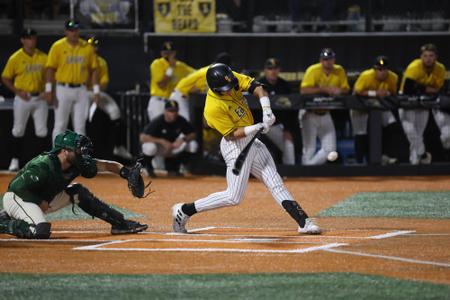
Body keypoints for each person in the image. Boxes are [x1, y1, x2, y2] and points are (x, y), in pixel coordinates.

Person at [171, 63, 320, 235]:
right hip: (235, 147)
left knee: (275, 182)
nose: (230, 89)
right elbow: (232, 134)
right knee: (234, 197)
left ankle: (303, 221)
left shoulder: (230, 77)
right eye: (225, 88)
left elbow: (257, 87)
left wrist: (266, 110)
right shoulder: (212, 108)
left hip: (253, 141)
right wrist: (255, 127)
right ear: (215, 88)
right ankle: (185, 210)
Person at [0, 130, 148, 239]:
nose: (82, 153)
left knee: (79, 192)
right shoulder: (43, 165)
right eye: (77, 149)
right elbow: (16, 187)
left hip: (43, 199)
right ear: (64, 151)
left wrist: (126, 173)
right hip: (19, 198)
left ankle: (119, 224)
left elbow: (107, 165)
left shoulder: (77, 162)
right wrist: (39, 202)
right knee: (40, 230)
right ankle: (4, 223)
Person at [43, 19, 100, 142]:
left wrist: (96, 91)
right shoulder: (57, 46)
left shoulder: (87, 47)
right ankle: (56, 156)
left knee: (80, 127)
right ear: (66, 32)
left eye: (75, 30)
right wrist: (48, 90)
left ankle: (80, 157)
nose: (73, 33)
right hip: (62, 89)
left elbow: (94, 69)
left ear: (79, 31)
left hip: (81, 89)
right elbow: (50, 69)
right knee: (60, 125)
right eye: (70, 30)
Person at [1, 28, 49, 172]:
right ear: (22, 40)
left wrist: (48, 90)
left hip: (39, 97)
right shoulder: (15, 57)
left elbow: (50, 74)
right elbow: (5, 77)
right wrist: (17, 91)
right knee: (18, 129)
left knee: (42, 131)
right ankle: (14, 161)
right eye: (28, 38)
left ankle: (41, 161)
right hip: (23, 97)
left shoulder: (43, 57)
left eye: (33, 38)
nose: (31, 40)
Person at [399, 43, 448, 165]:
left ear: (436, 57)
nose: (428, 58)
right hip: (408, 100)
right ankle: (423, 154)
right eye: (425, 55)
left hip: (425, 101)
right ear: (421, 57)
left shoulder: (440, 68)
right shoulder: (414, 66)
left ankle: (415, 163)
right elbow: (408, 88)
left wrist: (420, 88)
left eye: (431, 55)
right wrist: (427, 89)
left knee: (419, 133)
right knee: (410, 131)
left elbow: (440, 89)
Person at [300, 48, 350, 165]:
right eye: (325, 59)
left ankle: (309, 170)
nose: (328, 62)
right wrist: (325, 89)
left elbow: (346, 89)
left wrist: (339, 91)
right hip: (310, 114)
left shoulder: (339, 70)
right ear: (321, 60)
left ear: (334, 60)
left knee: (330, 150)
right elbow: (303, 90)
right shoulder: (313, 70)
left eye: (330, 59)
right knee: (309, 149)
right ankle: (305, 174)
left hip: (326, 114)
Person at [86, 36, 132, 160]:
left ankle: (119, 146)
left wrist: (95, 91)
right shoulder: (82, 59)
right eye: (91, 45)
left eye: (95, 45)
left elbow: (104, 83)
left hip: (96, 92)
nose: (93, 48)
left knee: (115, 112)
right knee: (82, 118)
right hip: (80, 92)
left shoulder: (101, 61)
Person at [351, 55, 399, 164]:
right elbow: (357, 92)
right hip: (360, 106)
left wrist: (386, 93)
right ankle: (359, 163)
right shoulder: (366, 75)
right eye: (379, 69)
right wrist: (375, 93)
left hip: (379, 106)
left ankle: (384, 155)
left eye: (384, 69)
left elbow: (393, 93)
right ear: (375, 69)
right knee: (360, 133)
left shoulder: (393, 77)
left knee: (391, 124)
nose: (382, 72)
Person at [140, 100, 197, 177]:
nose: (173, 113)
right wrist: (161, 141)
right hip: (159, 148)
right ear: (165, 111)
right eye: (170, 111)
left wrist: (183, 139)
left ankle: (179, 167)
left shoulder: (180, 120)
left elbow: (193, 134)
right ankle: (148, 167)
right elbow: (142, 137)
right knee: (150, 147)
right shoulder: (158, 121)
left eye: (175, 111)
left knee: (193, 145)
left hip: (173, 147)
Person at [256, 57, 297, 165]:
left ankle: (290, 172)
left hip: (276, 125)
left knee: (289, 145)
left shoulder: (285, 86)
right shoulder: (258, 84)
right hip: (258, 124)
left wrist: (287, 129)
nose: (273, 71)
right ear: (265, 70)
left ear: (279, 70)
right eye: (270, 68)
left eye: (275, 68)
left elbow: (291, 110)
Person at [169, 52, 231, 121]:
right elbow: (193, 89)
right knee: (185, 120)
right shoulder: (210, 72)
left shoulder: (209, 68)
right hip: (180, 95)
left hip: (180, 94)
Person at [148, 41, 194, 121]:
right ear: (161, 53)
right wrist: (171, 68)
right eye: (166, 53)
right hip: (159, 102)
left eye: (170, 53)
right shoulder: (157, 64)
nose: (168, 55)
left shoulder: (180, 66)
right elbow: (162, 85)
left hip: (174, 103)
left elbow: (196, 73)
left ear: (174, 53)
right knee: (159, 129)